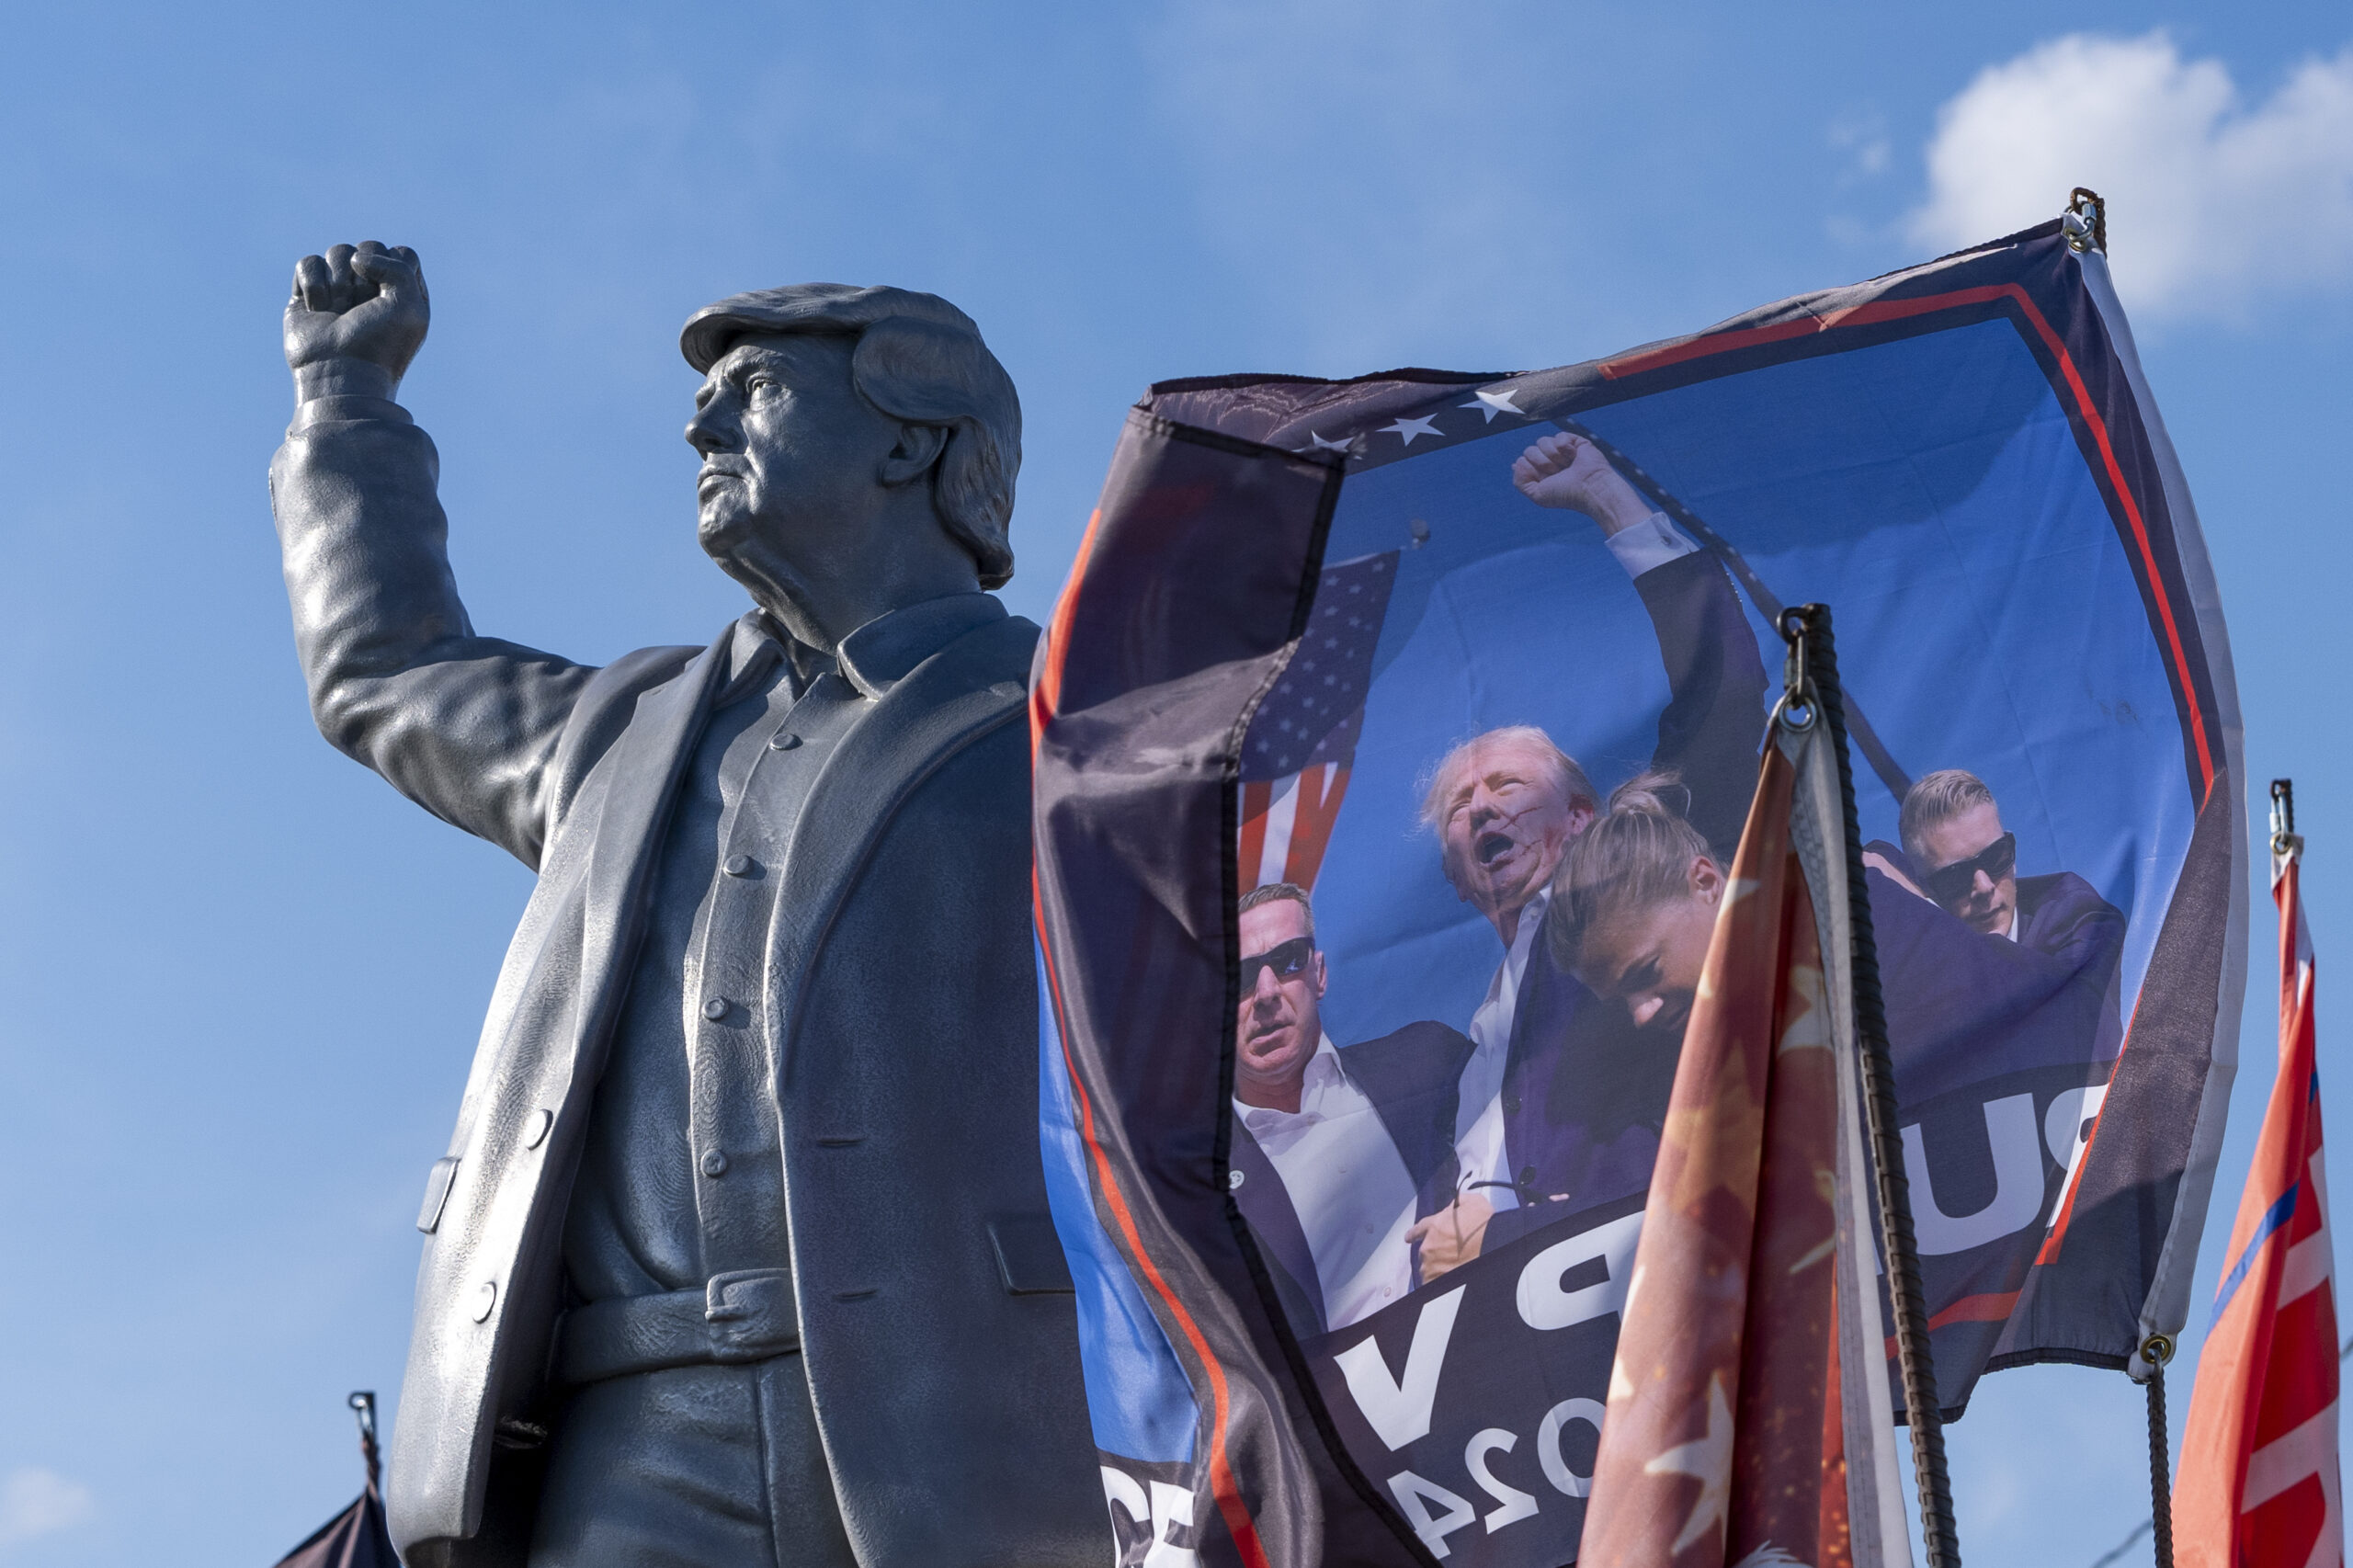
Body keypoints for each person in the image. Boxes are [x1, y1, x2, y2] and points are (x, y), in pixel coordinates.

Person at [270, 244, 1100, 1567]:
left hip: (966, 1425)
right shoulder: (629, 736)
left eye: (757, 390)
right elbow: (388, 666)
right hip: (634, 1438)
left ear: (907, 445)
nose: (700, 421)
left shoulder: (1080, 727)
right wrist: (345, 399)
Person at [1405, 431, 1766, 1278]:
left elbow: (1724, 711)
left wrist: (1610, 501)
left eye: (1504, 786)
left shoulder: (1638, 912)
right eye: (1460, 806)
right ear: (1455, 880)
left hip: (1646, 1291)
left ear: (1582, 816)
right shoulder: (1463, 1049)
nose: (1482, 808)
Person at [1228, 884, 1473, 1335]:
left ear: (1319, 974)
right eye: (1240, 976)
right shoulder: (1192, 1188)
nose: (1265, 992)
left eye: (1288, 962)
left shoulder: (1427, 1063)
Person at [1864, 769, 2127, 1103]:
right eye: (1956, 877)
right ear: (1925, 888)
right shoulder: (1918, 957)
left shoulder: (2079, 916)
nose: (1985, 887)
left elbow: (2071, 1019)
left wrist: (1911, 908)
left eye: (1996, 857)